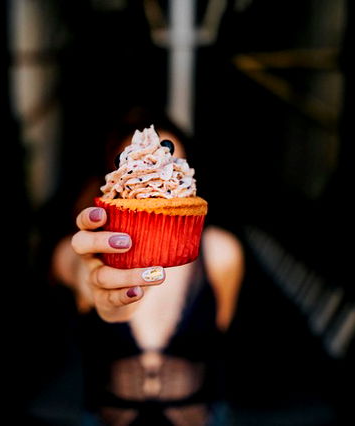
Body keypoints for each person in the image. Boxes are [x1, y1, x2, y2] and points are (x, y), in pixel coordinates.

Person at [51, 107, 245, 425]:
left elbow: (218, 333)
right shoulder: (85, 252)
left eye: (172, 170)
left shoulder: (222, 254)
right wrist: (96, 282)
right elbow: (76, 268)